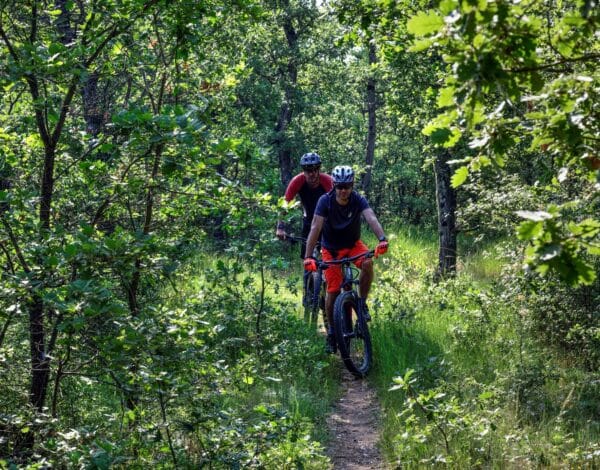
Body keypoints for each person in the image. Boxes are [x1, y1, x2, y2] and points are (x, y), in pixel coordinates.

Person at [303, 165, 388, 353]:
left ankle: (362, 303)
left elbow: (371, 217)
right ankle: (332, 333)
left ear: (352, 185)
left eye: (347, 186)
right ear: (334, 185)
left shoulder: (357, 199)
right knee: (332, 291)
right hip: (331, 250)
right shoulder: (325, 201)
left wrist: (382, 239)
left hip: (352, 245)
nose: (343, 191)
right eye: (340, 186)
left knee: (367, 262)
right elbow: (315, 228)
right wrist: (308, 257)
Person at [276, 153, 334, 305]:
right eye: (308, 170)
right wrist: (280, 227)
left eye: (315, 169)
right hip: (309, 222)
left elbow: (337, 204)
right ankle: (307, 292)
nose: (312, 174)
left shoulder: (327, 181)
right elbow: (285, 204)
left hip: (328, 223)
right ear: (303, 171)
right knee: (307, 258)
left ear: (319, 169)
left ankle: (329, 290)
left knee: (331, 256)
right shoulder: (298, 181)